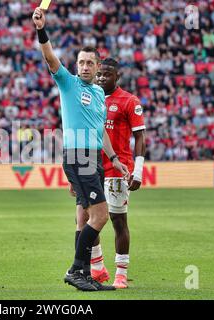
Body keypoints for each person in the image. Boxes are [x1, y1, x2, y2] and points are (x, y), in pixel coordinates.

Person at [32, 7, 128, 292]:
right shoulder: (68, 83)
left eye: (90, 63)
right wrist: (41, 29)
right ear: (76, 66)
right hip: (78, 156)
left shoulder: (98, 93)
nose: (85, 67)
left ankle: (84, 274)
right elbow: (49, 57)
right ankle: (76, 269)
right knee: (101, 216)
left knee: (86, 217)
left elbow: (101, 130)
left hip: (94, 157)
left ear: (98, 67)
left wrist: (114, 158)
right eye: (81, 62)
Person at [78, 58, 146, 289]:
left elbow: (140, 137)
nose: (101, 78)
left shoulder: (129, 101)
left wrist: (138, 170)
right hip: (90, 167)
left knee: (118, 220)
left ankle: (121, 273)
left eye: (107, 74)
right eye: (100, 74)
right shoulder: (89, 98)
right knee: (88, 219)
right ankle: (97, 267)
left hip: (118, 170)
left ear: (117, 77)